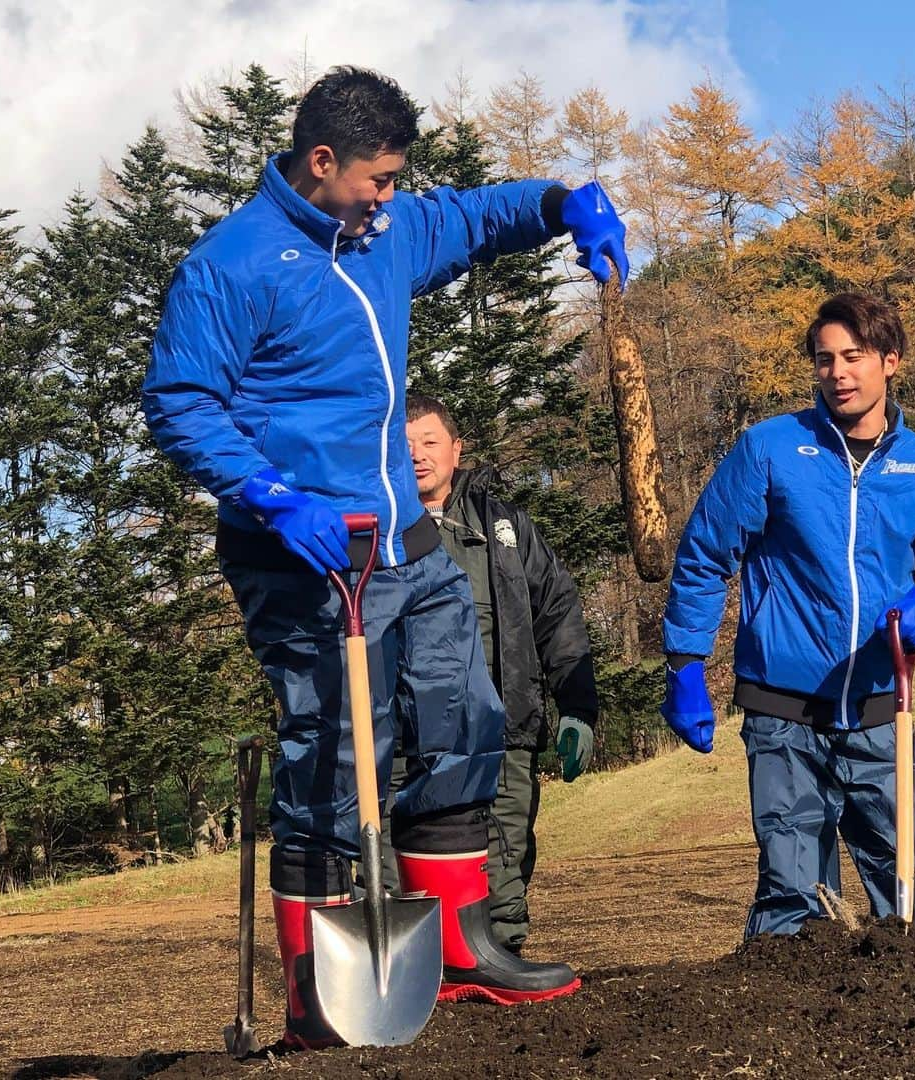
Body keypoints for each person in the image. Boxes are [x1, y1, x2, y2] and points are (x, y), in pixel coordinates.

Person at [142, 66, 628, 1046]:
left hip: (408, 546)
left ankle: (457, 948)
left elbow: (474, 218)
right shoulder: (231, 266)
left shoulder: (384, 233)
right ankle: (317, 998)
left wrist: (558, 204)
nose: (393, 196)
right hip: (303, 555)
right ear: (322, 162)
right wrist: (272, 497)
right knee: (330, 755)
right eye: (379, 177)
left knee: (467, 716)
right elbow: (180, 402)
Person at [660, 292, 915, 939]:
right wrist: (685, 663)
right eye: (824, 358)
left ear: (890, 361)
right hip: (783, 720)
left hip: (879, 716)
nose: (837, 372)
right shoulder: (771, 450)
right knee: (796, 908)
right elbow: (703, 555)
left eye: (853, 357)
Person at [400, 393, 598, 955]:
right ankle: (408, 994)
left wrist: (578, 708)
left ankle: (498, 975)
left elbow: (557, 613)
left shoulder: (507, 528)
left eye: (429, 442)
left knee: (502, 871)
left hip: (500, 733)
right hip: (403, 742)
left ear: (456, 450)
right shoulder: (374, 528)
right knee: (398, 874)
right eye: (403, 445)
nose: (417, 455)